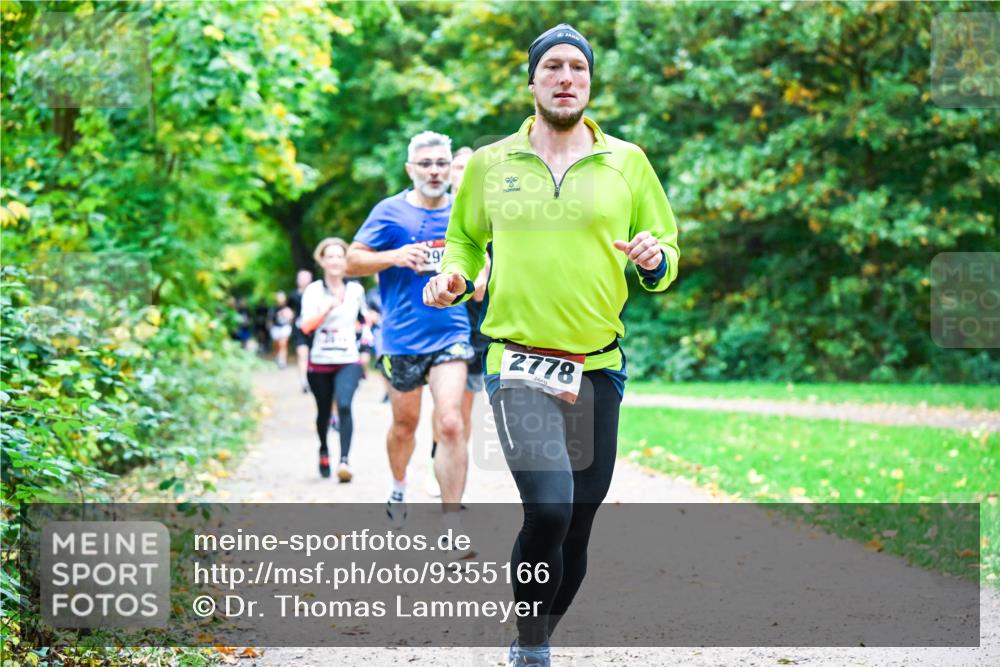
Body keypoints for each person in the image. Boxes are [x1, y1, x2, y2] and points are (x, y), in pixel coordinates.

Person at [423, 24, 680, 667]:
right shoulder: (489, 163)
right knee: (550, 508)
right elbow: (463, 242)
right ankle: (530, 645)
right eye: (554, 67)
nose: (567, 78)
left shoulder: (628, 162)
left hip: (598, 367)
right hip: (517, 363)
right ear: (532, 80)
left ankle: (540, 633)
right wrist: (453, 279)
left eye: (579, 69)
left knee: (581, 519)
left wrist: (654, 258)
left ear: (590, 82)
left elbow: (665, 248)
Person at [346, 131, 474, 553]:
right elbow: (351, 259)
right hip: (400, 338)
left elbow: (487, 258)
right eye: (426, 164)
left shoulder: (464, 211)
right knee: (405, 426)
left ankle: (452, 526)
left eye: (442, 163)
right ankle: (399, 486)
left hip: (451, 332)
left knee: (451, 422)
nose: (435, 171)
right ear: (410, 169)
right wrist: (394, 257)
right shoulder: (390, 212)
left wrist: (478, 282)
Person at [426, 146, 490, 500]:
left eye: (470, 166)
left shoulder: (489, 208)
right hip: (448, 319)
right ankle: (439, 459)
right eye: (458, 166)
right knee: (449, 406)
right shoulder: (438, 212)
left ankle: (449, 469)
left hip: (481, 321)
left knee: (464, 406)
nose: (463, 172)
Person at [300, 238, 367, 482]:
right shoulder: (313, 291)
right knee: (323, 413)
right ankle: (324, 449)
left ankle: (344, 461)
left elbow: (363, 320)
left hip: (348, 358)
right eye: (330, 256)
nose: (336, 261)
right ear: (322, 261)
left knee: (346, 405)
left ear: (346, 260)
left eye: (340, 256)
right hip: (319, 361)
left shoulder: (356, 291)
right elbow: (306, 326)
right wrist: (326, 309)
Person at [287, 269, 314, 393]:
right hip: (299, 329)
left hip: (314, 329)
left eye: (306, 278)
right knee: (302, 354)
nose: (304, 281)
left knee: (313, 356)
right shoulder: (293, 295)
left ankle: (314, 379)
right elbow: (289, 311)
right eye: (301, 278)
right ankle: (304, 382)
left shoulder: (317, 294)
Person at [268, 291, 294, 368]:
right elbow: (270, 320)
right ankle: (278, 356)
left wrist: (290, 317)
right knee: (277, 345)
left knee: (283, 344)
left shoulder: (288, 308)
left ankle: (282, 361)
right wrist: (270, 328)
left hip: (285, 327)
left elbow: (291, 319)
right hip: (276, 328)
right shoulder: (273, 309)